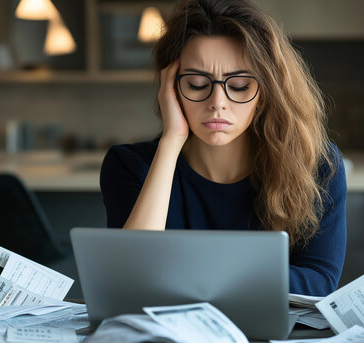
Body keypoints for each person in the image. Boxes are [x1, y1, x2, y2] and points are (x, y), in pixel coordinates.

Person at [100, 0, 346, 296]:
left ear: (265, 92)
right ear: (171, 87)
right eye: (196, 84)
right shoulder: (128, 166)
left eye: (240, 85)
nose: (217, 102)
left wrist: (186, 273)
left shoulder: (317, 164)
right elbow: (130, 278)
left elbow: (318, 281)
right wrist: (171, 141)